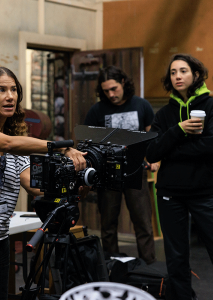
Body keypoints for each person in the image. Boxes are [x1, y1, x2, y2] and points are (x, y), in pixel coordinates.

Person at [0, 66, 87, 300]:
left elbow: (34, 185)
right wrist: (63, 148)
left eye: (14, 90)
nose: (10, 96)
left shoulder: (18, 141)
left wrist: (79, 182)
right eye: (1, 90)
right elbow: (6, 143)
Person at [146, 54, 213, 300]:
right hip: (170, 194)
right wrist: (179, 130)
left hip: (204, 193)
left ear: (195, 75)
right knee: (177, 260)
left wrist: (170, 152)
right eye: (173, 72)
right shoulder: (163, 115)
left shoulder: (211, 106)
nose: (178, 76)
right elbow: (151, 153)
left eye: (183, 71)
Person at [84, 65, 159, 264]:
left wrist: (154, 159)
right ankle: (111, 266)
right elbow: (88, 145)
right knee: (108, 224)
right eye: (106, 90)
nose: (111, 94)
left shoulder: (141, 105)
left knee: (143, 223)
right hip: (108, 174)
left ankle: (149, 269)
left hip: (136, 171)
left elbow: (151, 137)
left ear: (123, 83)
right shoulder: (97, 111)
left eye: (114, 89)